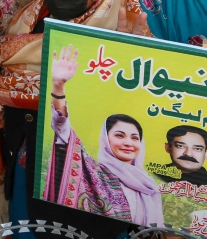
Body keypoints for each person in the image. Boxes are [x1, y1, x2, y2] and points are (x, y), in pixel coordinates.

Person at [0, 0, 150, 237]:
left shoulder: (128, 34)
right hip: (31, 170)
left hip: (95, 194)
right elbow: (2, 74)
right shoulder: (30, 18)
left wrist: (127, 61)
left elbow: (139, 114)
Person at [43, 45, 164, 226]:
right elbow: (63, 128)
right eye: (120, 135)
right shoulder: (94, 173)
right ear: (106, 140)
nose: (128, 143)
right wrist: (58, 86)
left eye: (134, 138)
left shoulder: (149, 186)